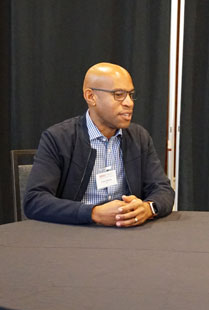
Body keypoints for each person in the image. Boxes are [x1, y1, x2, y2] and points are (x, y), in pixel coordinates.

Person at [24, 62, 174, 227]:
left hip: (128, 233)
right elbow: (35, 200)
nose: (129, 103)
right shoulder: (58, 138)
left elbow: (163, 190)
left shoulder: (139, 137)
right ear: (91, 97)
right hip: (76, 233)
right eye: (119, 94)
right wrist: (93, 213)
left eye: (131, 94)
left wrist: (148, 208)